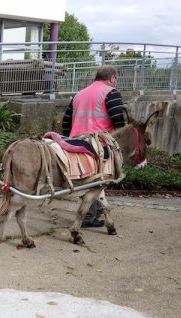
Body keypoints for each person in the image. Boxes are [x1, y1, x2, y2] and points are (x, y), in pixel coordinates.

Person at [61, 64, 125, 227]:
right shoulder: (111, 93)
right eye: (115, 80)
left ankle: (91, 215)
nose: (115, 82)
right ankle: (89, 217)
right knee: (98, 180)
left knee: (88, 179)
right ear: (112, 78)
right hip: (98, 144)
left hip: (76, 143)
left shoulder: (79, 94)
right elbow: (119, 123)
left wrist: (71, 137)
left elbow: (66, 121)